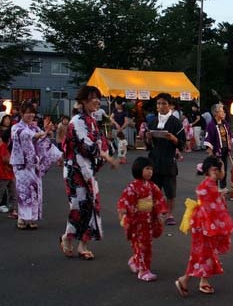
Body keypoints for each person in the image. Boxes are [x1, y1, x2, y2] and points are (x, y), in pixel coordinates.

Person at [61, 85, 118, 259]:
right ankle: (68, 236)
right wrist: (105, 156)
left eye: (98, 98)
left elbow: (101, 143)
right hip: (75, 171)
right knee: (78, 206)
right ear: (83, 100)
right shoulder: (77, 121)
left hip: (88, 171)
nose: (97, 101)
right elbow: (87, 145)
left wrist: (106, 152)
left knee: (92, 205)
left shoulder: (92, 121)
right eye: (93, 97)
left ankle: (83, 244)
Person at [174, 156, 233, 297]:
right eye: (222, 169)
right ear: (214, 170)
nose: (224, 172)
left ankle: (203, 280)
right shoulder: (208, 184)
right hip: (204, 225)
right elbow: (207, 200)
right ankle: (185, 279)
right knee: (202, 253)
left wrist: (219, 194)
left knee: (206, 252)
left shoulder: (210, 185)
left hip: (203, 223)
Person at [10, 102, 62, 230]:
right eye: (27, 112)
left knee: (35, 191)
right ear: (22, 113)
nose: (30, 115)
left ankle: (32, 218)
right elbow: (21, 135)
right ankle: (22, 218)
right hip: (22, 164)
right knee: (23, 191)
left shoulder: (35, 128)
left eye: (32, 112)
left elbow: (43, 141)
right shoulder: (16, 127)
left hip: (34, 164)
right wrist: (37, 135)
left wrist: (46, 134)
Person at [116, 156, 168, 282]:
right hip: (137, 221)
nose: (150, 171)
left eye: (151, 169)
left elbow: (159, 198)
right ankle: (143, 270)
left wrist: (161, 212)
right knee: (141, 245)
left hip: (148, 220)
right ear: (139, 169)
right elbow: (125, 200)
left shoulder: (152, 186)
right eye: (147, 168)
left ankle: (135, 260)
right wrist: (123, 210)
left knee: (146, 245)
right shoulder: (132, 187)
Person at [145, 93, 185, 226]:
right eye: (158, 103)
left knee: (170, 190)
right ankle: (154, 212)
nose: (161, 106)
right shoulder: (152, 121)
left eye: (164, 103)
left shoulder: (176, 123)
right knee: (153, 189)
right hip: (154, 160)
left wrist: (173, 138)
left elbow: (182, 144)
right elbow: (148, 146)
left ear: (170, 105)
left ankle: (169, 214)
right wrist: (148, 138)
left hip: (168, 160)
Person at [204, 102, 233, 191]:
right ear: (215, 113)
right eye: (221, 111)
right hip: (216, 150)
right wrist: (210, 152)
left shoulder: (225, 124)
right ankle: (215, 187)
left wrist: (230, 143)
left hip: (225, 149)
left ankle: (223, 186)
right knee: (216, 169)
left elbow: (229, 135)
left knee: (224, 168)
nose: (223, 113)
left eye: (223, 111)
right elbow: (208, 139)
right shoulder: (211, 125)